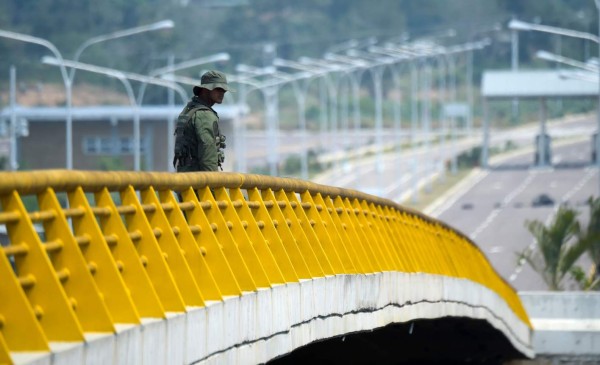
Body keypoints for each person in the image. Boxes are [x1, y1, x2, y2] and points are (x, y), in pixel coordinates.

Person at [173, 70, 229, 172]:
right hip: (199, 181)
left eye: (224, 90)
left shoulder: (190, 109)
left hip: (185, 177)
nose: (222, 93)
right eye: (218, 89)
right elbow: (207, 154)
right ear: (205, 90)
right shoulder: (205, 115)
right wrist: (213, 184)